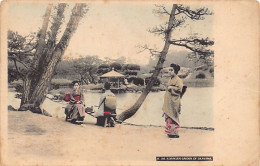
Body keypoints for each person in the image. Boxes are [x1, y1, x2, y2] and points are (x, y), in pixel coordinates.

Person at [162, 63, 183, 138]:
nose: (170, 72)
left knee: (173, 116)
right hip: (169, 101)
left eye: (171, 70)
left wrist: (171, 87)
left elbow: (180, 89)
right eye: (169, 70)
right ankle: (170, 133)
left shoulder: (178, 80)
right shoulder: (170, 79)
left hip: (174, 101)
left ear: (175, 71)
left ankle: (174, 133)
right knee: (168, 117)